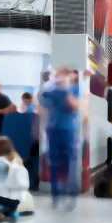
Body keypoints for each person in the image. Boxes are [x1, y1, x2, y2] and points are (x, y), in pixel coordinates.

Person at [40, 68, 79, 208]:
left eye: (61, 75)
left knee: (68, 162)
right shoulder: (50, 91)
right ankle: (55, 194)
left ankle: (68, 192)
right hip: (52, 130)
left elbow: (74, 106)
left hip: (67, 130)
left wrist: (66, 89)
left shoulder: (74, 90)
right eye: (57, 75)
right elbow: (43, 106)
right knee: (54, 162)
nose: (58, 78)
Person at [0, 136, 30, 223]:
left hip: (5, 197)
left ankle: (1, 208)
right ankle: (10, 210)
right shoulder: (17, 159)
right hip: (20, 198)